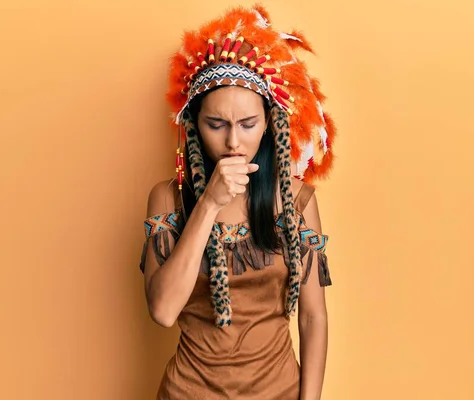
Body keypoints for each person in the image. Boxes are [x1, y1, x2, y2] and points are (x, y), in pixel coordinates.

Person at [139, 5, 336, 399]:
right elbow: (162, 311)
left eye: (248, 125)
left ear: (268, 125)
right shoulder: (167, 198)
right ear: (194, 124)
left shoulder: (295, 200)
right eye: (216, 125)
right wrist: (209, 204)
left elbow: (313, 317)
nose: (233, 142)